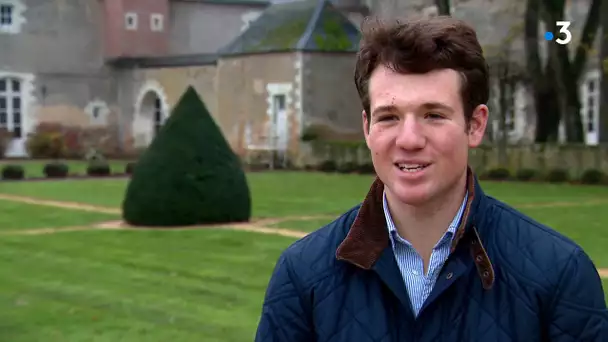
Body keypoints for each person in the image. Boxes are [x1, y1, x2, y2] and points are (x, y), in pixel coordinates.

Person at [254, 15, 608, 341]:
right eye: (389, 117)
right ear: (367, 128)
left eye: (434, 115)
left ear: (475, 125)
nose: (408, 139)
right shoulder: (302, 276)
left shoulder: (560, 275)